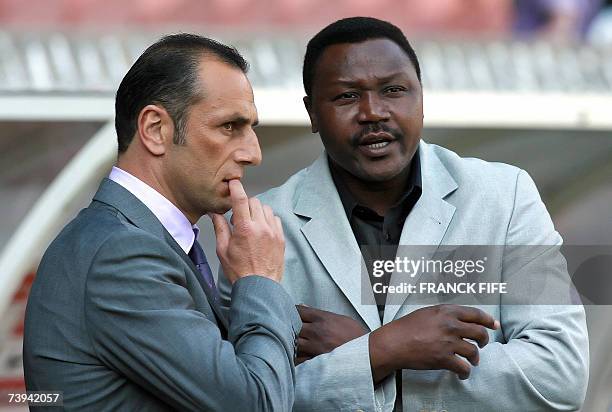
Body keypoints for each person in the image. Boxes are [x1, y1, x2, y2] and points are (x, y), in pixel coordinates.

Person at [219, 17, 589, 411]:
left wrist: (377, 355)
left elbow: (560, 372)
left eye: (394, 90)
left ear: (421, 98)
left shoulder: (505, 196)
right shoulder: (260, 226)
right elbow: (245, 396)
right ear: (312, 113)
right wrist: (384, 349)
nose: (373, 112)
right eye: (346, 97)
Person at [23, 33, 301, 411]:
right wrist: (260, 280)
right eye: (230, 126)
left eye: (251, 127)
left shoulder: (135, 242)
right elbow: (257, 404)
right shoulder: (120, 255)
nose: (253, 153)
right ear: (155, 129)